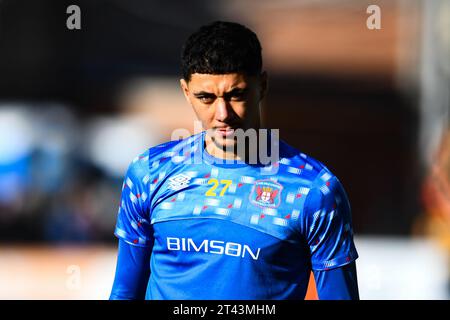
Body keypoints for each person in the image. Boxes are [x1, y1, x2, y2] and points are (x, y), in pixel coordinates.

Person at [109, 21, 359, 300]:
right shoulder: (150, 172)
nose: (223, 113)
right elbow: (123, 292)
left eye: (236, 95)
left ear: (262, 86)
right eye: (206, 97)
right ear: (186, 92)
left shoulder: (313, 190)